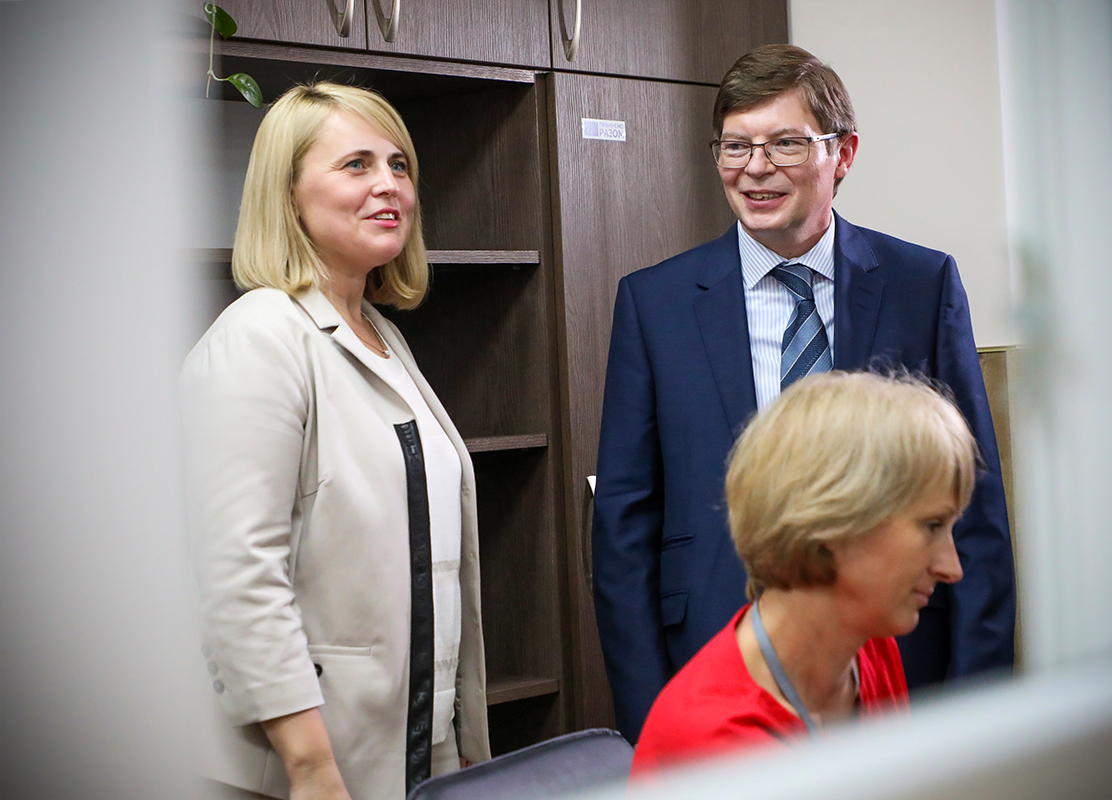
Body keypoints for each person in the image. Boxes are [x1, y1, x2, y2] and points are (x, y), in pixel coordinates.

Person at [592, 43, 1015, 743]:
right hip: (712, 655)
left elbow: (974, 508)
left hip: (902, 661)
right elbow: (624, 528)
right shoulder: (655, 303)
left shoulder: (920, 285)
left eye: (785, 144)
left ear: (842, 154)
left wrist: (980, 711)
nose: (755, 168)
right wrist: (646, 716)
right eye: (736, 146)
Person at [181, 82, 489, 800]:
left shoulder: (382, 336)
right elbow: (238, 574)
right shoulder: (261, 335)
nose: (389, 185)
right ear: (289, 197)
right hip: (307, 768)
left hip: (416, 745)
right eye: (356, 165)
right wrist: (312, 767)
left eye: (399, 165)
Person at [631, 371, 975, 773]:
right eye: (932, 526)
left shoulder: (870, 646)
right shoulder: (714, 742)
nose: (951, 569)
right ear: (833, 521)